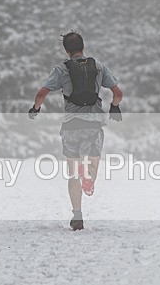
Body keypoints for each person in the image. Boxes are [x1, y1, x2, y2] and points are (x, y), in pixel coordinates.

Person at [29, 31, 123, 231]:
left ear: (66, 50)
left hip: (71, 125)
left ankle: (77, 217)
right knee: (93, 165)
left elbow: (41, 93)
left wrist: (35, 108)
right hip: (94, 125)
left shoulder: (61, 69)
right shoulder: (98, 67)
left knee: (72, 174)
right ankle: (88, 175)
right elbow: (117, 93)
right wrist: (114, 107)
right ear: (83, 47)